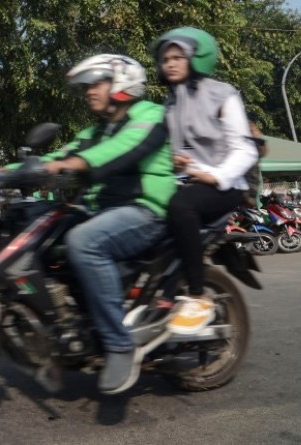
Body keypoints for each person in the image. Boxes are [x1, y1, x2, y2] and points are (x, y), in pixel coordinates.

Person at [28, 54, 176, 394]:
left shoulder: (151, 116)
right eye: (87, 86)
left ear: (122, 82)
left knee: (85, 241)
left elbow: (114, 152)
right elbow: (60, 156)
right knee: (36, 228)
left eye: (96, 84)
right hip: (102, 212)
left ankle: (119, 345)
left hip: (144, 211)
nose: (89, 92)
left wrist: (64, 166)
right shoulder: (96, 132)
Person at [152, 27, 258, 335]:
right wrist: (173, 159)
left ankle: (198, 296)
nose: (170, 64)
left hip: (224, 185)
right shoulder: (170, 103)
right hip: (184, 182)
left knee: (180, 206)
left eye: (177, 57)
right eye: (165, 59)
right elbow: (170, 149)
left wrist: (216, 175)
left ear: (196, 57)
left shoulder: (222, 94)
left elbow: (245, 149)